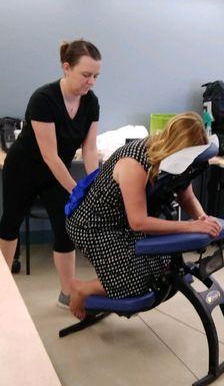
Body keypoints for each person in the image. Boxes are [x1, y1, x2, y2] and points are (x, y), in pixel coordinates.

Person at [65, 112, 222, 320]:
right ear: (176, 148)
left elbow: (187, 196)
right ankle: (81, 289)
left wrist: (202, 218)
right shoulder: (134, 163)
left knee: (163, 269)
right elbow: (138, 222)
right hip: (94, 224)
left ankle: (107, 281)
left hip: (124, 221)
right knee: (134, 283)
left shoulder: (178, 160)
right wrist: (190, 226)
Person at [0, 39, 102, 308]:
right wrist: (78, 190)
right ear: (66, 68)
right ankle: (3, 291)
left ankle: (68, 294)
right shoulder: (44, 99)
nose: (91, 82)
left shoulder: (91, 103)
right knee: (10, 225)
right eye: (86, 75)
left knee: (65, 228)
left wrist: (94, 183)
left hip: (55, 174)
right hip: (23, 170)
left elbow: (90, 150)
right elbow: (49, 155)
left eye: (95, 76)